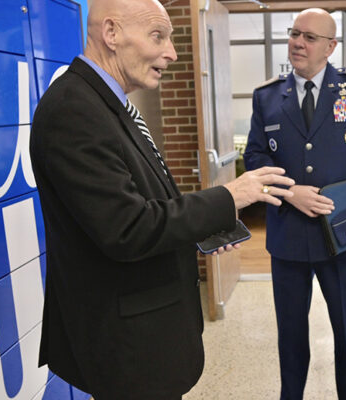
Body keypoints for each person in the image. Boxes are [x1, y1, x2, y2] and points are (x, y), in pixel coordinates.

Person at [29, 0, 294, 398]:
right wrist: (228, 197)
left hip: (147, 337)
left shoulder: (107, 103)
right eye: (158, 36)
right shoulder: (74, 110)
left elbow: (144, 202)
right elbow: (128, 229)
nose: (171, 52)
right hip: (127, 347)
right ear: (112, 33)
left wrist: (205, 226)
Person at [243, 8, 346, 400]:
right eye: (295, 33)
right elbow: (256, 157)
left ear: (330, 47)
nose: (298, 42)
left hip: (345, 234)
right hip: (288, 237)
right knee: (290, 334)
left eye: (310, 37)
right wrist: (289, 192)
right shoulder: (267, 97)